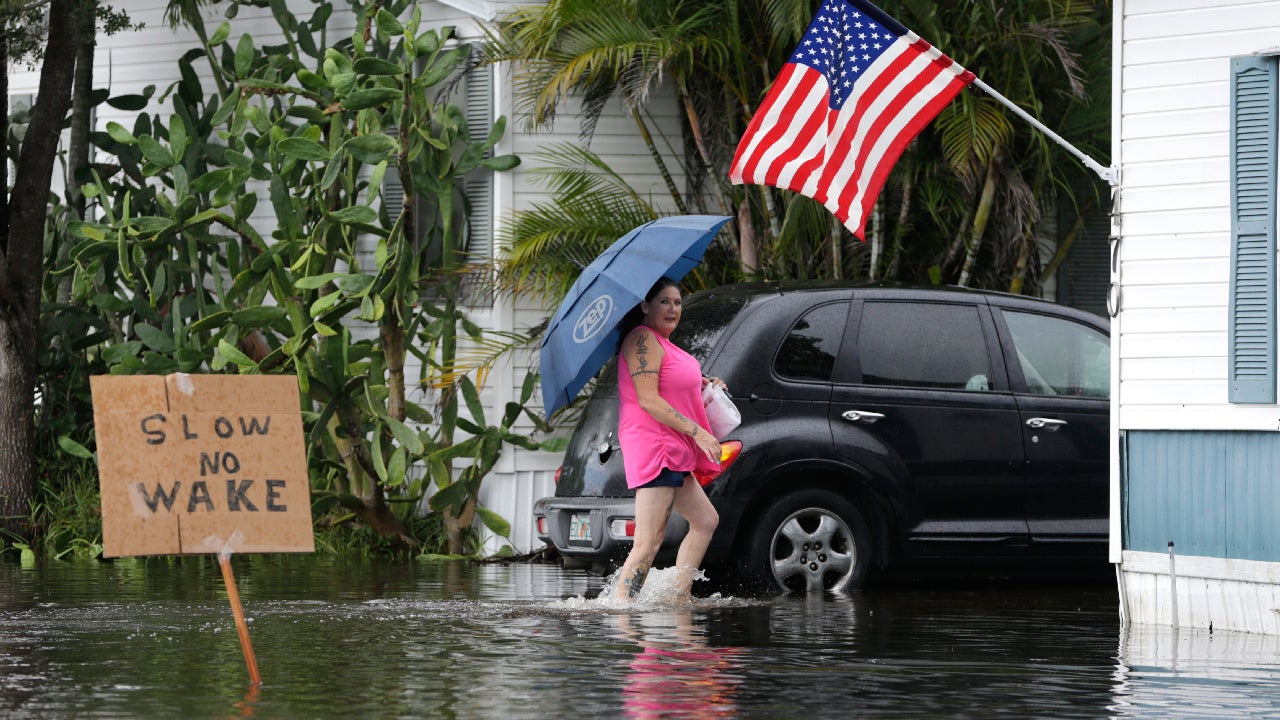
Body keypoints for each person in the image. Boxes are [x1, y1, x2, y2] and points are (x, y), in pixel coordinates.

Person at [613, 277, 724, 603]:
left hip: (672, 450)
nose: (672, 308)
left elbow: (672, 383)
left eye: (677, 302)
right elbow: (648, 399)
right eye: (664, 301)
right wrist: (699, 433)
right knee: (649, 541)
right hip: (655, 448)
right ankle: (623, 612)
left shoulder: (663, 344)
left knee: (705, 521)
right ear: (646, 306)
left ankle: (679, 596)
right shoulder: (641, 341)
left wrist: (705, 385)